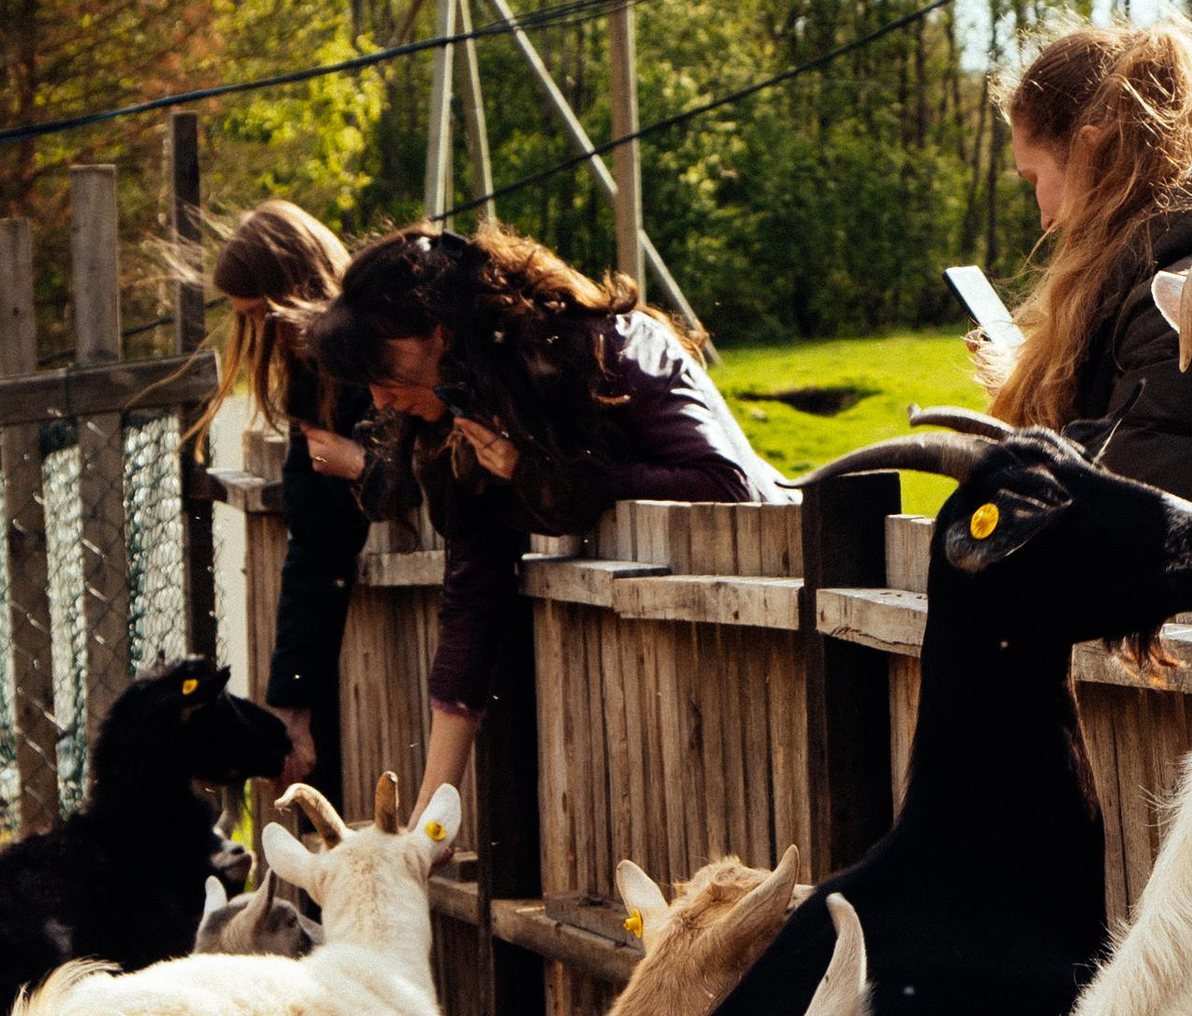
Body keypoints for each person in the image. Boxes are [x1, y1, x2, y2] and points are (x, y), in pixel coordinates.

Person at [309, 223, 794, 822]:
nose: (378, 401)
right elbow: (473, 596)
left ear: (438, 332)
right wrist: (428, 823)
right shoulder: (461, 414)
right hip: (673, 691)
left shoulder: (617, 347)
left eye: (382, 372)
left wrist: (543, 475)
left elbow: (725, 486)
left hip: (777, 648)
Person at [984, 18, 1192, 526]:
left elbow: (1135, 541)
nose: (1044, 216)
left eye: (1035, 176)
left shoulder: (1177, 311)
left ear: (1089, 152)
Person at [208, 200, 371, 797]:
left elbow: (321, 539)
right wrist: (291, 702)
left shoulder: (372, 357)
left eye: (259, 315)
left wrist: (364, 467)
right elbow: (315, 539)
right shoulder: (312, 379)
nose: (256, 334)